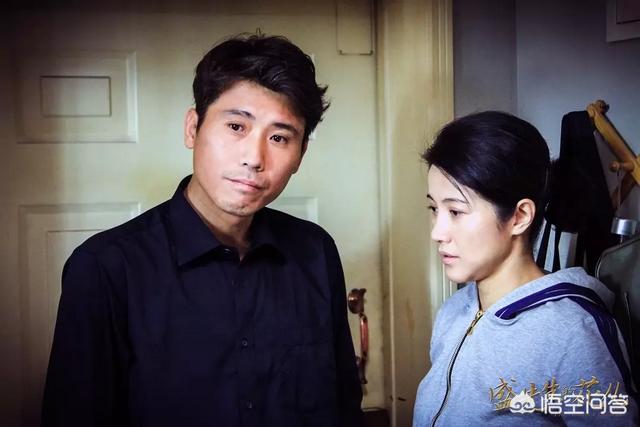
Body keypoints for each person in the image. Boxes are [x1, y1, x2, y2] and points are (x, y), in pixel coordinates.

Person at [42, 34, 363, 427]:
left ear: (300, 155)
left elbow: (343, 404)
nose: (254, 158)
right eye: (236, 126)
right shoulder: (105, 268)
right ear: (193, 128)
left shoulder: (315, 251)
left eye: (279, 137)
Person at [413, 111, 638, 426]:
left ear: (519, 217)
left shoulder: (572, 333)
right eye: (434, 208)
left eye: (456, 211)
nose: (437, 232)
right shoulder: (452, 312)